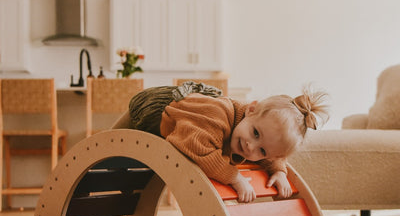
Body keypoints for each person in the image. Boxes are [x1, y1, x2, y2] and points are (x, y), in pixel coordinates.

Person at [112, 81, 328, 202]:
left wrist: (279, 171)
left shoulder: (252, 133)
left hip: (176, 125)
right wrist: (234, 177)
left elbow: (273, 154)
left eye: (262, 151)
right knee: (111, 141)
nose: (250, 147)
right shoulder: (217, 117)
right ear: (250, 110)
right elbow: (198, 149)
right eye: (255, 133)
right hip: (155, 109)